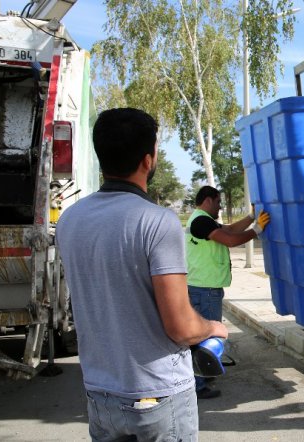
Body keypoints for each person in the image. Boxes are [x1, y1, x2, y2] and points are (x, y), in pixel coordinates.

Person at [57, 108, 228, 441]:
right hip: (158, 396)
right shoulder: (157, 221)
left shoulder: (69, 220)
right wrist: (213, 327)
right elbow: (180, 326)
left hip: (100, 393)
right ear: (148, 160)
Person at [185, 185, 270, 398]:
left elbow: (230, 230)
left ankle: (202, 376)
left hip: (202, 287)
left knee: (201, 336)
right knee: (205, 338)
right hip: (205, 289)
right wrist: (256, 231)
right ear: (207, 200)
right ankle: (198, 385)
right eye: (218, 202)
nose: (220, 207)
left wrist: (251, 217)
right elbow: (231, 240)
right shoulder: (201, 221)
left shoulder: (202, 219)